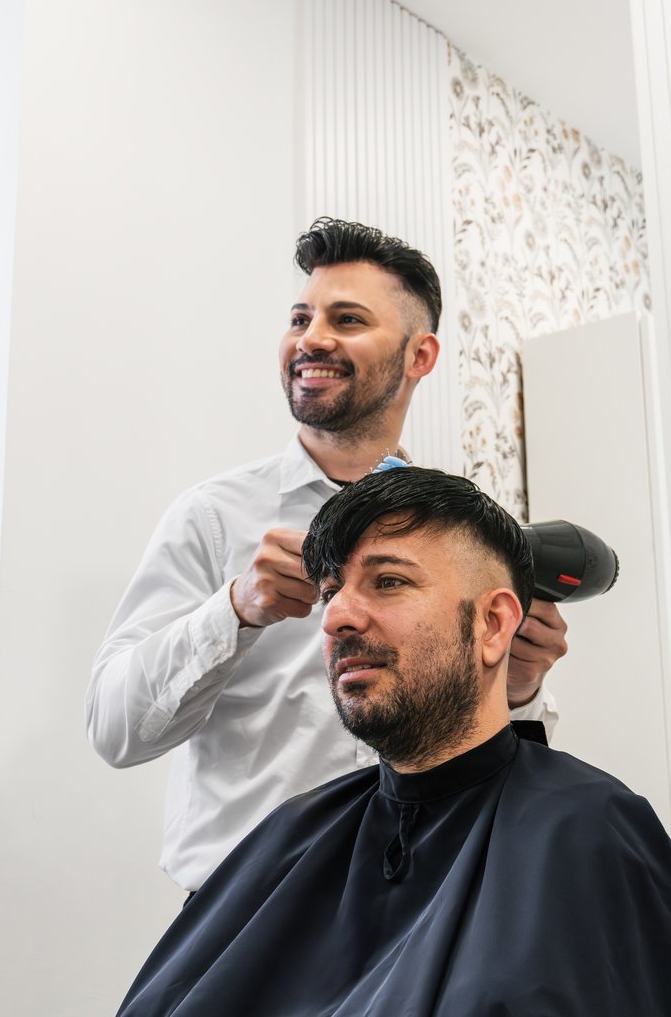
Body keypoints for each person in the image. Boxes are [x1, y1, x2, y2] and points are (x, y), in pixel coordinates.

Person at [116, 468, 671, 1017]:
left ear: (494, 622)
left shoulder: (583, 830)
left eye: (388, 581)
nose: (336, 615)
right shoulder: (290, 839)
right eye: (331, 590)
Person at [87, 219, 570, 892]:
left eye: (346, 319)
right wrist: (234, 611)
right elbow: (115, 729)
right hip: (246, 919)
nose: (311, 338)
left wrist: (516, 687)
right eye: (299, 317)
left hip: (422, 906)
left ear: (418, 356)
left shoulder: (467, 535)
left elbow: (486, 752)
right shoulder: (211, 518)